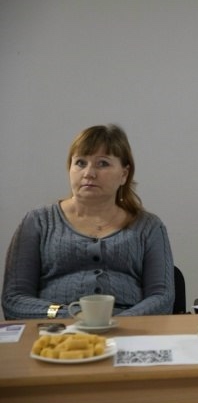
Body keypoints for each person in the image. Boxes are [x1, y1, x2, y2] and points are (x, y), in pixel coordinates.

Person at [2, 125, 175, 320]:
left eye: (102, 164)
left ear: (124, 175)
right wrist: (68, 314)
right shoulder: (38, 222)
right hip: (55, 330)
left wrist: (120, 322)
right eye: (80, 163)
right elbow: (14, 299)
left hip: (129, 329)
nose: (89, 173)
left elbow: (162, 297)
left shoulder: (149, 227)